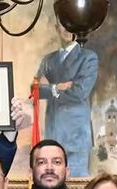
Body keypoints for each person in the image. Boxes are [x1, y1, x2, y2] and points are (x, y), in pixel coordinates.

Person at [34, 21, 99, 176]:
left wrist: (49, 88)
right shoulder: (48, 60)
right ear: (57, 28)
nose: (68, 28)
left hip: (76, 138)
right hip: (52, 135)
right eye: (64, 24)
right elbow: (35, 91)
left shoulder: (88, 58)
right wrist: (58, 87)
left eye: (72, 24)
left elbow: (79, 93)